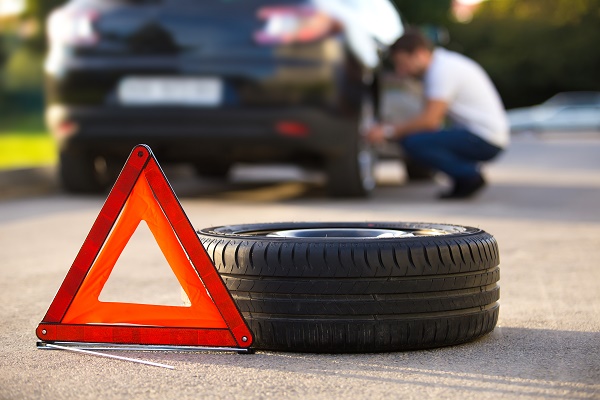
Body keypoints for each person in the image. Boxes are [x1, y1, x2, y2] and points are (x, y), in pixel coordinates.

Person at [368, 28, 509, 199]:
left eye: (403, 63)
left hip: (484, 137)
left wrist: (387, 131)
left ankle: (468, 175)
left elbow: (429, 121)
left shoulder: (440, 71)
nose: (400, 71)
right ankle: (463, 177)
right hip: (485, 135)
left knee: (413, 142)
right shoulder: (444, 64)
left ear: (420, 54)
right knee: (419, 137)